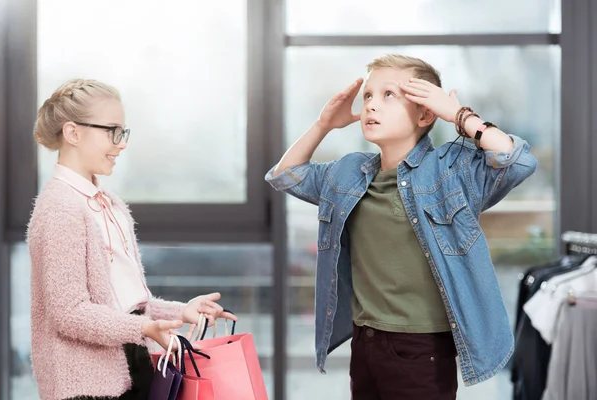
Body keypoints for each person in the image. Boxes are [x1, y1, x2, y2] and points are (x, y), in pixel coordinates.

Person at [265, 54, 537, 399]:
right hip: (365, 343)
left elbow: (519, 161)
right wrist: (324, 125)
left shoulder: (451, 170)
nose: (371, 106)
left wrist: (458, 114)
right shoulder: (349, 172)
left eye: (388, 95)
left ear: (425, 113)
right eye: (367, 96)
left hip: (422, 349)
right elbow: (285, 176)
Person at [27, 79, 236, 400]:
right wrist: (143, 329)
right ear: (73, 133)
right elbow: (69, 313)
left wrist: (181, 312)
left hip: (131, 363)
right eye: (112, 131)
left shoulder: (110, 204)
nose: (121, 143)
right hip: (85, 386)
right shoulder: (59, 208)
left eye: (123, 132)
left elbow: (131, 304)